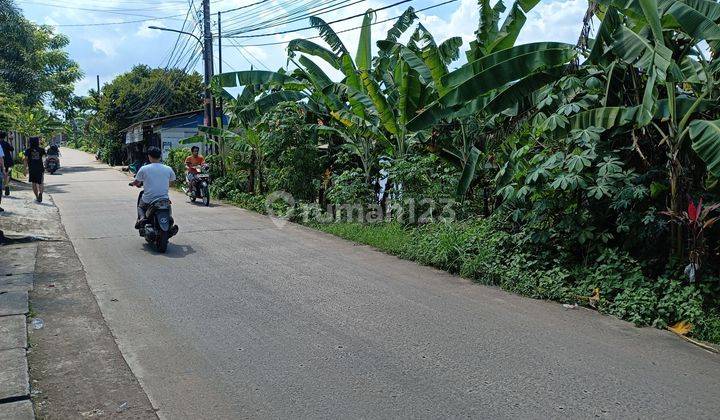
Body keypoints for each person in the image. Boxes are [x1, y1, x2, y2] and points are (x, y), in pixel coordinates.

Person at [130, 146, 176, 229]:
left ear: (149, 156)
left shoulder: (144, 168)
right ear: (160, 156)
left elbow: (137, 182)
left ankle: (142, 218)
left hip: (149, 199)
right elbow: (172, 183)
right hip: (164, 198)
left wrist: (133, 184)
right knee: (167, 205)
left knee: (140, 206)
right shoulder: (168, 169)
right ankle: (169, 220)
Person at [24, 137, 46, 203]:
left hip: (32, 168)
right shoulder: (41, 149)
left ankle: (37, 197)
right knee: (41, 182)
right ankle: (40, 194)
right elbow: (45, 158)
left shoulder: (28, 150)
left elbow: (25, 159)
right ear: (37, 142)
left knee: (34, 183)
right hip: (40, 168)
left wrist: (25, 169)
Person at [0, 131, 13, 196]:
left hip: (0, 161)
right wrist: (10, 141)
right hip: (7, 161)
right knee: (6, 173)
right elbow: (12, 149)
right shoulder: (6, 143)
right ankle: (6, 186)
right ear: (4, 137)